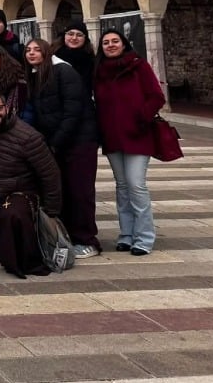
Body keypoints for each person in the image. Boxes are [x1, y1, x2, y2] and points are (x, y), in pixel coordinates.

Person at [0, 88, 61, 278]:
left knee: (11, 213)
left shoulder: (28, 137)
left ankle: (22, 262)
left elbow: (50, 174)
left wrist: (52, 212)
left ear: (7, 107)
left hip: (20, 192)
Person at [94, 27, 165, 257]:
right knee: (122, 187)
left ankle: (144, 237)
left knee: (136, 185)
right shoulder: (100, 71)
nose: (111, 45)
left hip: (137, 134)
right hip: (113, 136)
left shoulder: (138, 66)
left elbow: (156, 96)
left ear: (124, 44)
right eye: (106, 43)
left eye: (115, 41)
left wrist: (140, 117)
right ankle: (126, 234)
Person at [53, 20, 102, 257]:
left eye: (78, 35)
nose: (73, 38)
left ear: (85, 39)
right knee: (61, 187)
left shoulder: (92, 64)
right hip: (59, 134)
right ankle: (63, 234)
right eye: (70, 33)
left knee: (81, 189)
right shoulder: (52, 61)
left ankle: (86, 238)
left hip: (82, 133)